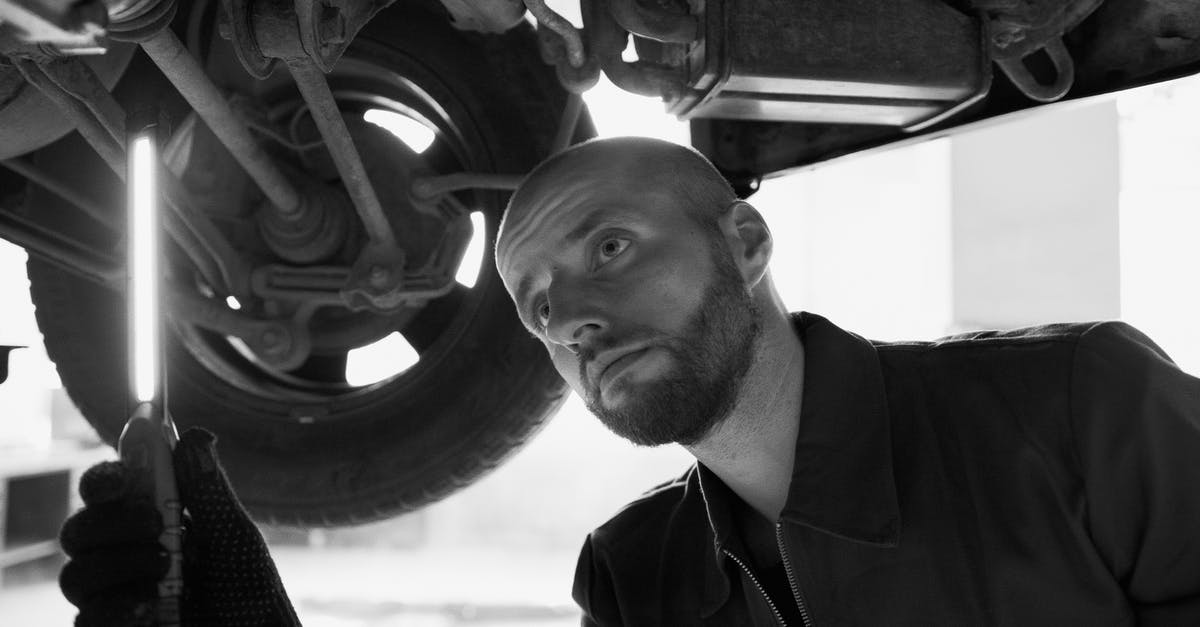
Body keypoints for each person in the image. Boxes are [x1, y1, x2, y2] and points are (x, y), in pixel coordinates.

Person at [59, 136, 1200, 626]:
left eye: (607, 248)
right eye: (539, 307)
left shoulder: (1080, 409)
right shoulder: (634, 573)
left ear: (746, 246)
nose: (575, 318)